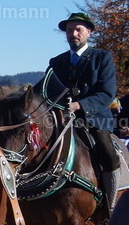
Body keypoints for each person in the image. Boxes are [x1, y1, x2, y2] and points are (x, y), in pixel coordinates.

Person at [47, 12, 119, 172]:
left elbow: (107, 94)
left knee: (109, 156)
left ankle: (113, 192)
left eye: (78, 29)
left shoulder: (102, 58)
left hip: (94, 120)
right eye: (69, 30)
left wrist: (79, 105)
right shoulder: (57, 62)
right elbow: (45, 91)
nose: (73, 34)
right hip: (60, 119)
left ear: (89, 31)